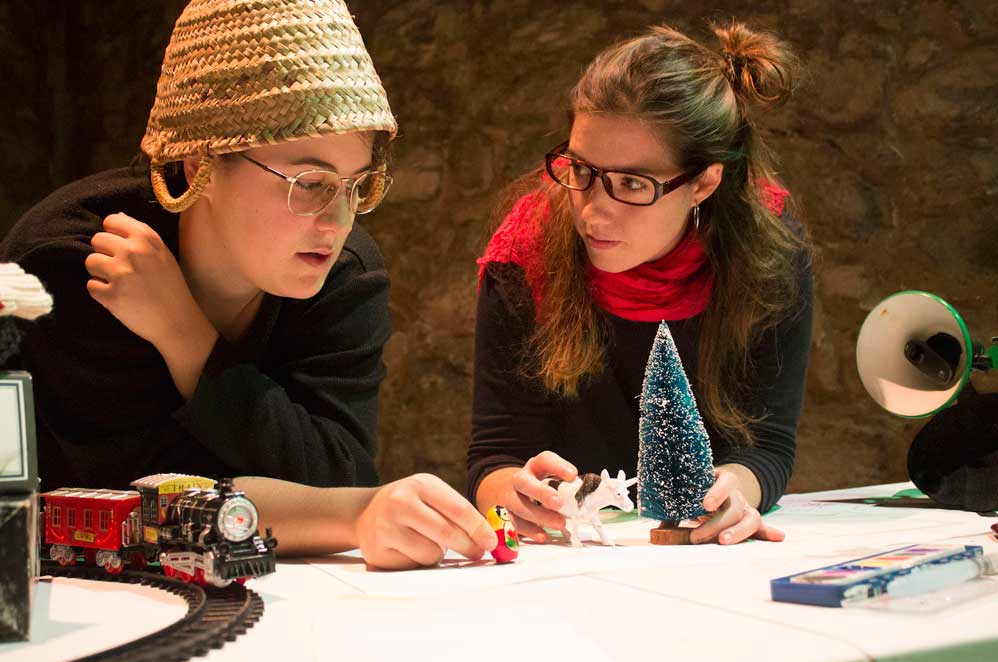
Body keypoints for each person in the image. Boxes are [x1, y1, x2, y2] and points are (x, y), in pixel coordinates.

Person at [0, 0, 495, 570]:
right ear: (199, 165)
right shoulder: (73, 264)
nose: (337, 222)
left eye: (356, 185)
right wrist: (351, 513)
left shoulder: (344, 274)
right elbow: (141, 504)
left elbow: (335, 474)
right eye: (309, 182)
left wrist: (187, 339)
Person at [469, 22, 813, 547]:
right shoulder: (524, 256)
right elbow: (495, 454)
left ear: (703, 182)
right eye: (581, 170)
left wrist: (734, 494)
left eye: (632, 183)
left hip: (702, 552)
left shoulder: (768, 253)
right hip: (572, 554)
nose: (593, 211)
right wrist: (513, 490)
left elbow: (766, 445)